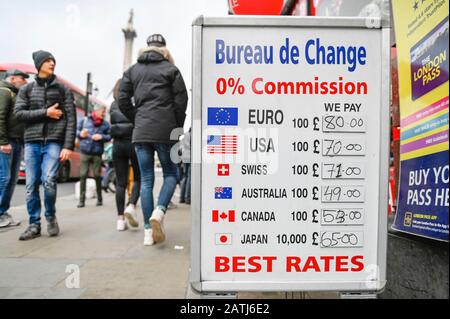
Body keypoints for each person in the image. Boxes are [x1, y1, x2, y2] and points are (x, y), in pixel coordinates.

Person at [119, 34, 188, 246]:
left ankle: (148, 233)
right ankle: (159, 211)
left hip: (141, 132)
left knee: (146, 179)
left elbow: (121, 99)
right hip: (166, 130)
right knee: (171, 173)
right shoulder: (171, 70)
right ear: (164, 50)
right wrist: (176, 125)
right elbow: (181, 100)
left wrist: (136, 118)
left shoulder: (131, 71)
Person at [14, 51, 76, 240]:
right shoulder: (27, 89)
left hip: (54, 142)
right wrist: (45, 113)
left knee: (49, 180)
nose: (52, 63)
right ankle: (34, 224)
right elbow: (19, 114)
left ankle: (50, 216)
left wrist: (68, 146)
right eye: (48, 61)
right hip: (32, 142)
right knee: (31, 185)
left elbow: (71, 119)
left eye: (53, 60)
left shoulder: (63, 90)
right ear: (39, 65)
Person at [110, 79, 140, 231]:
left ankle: (120, 220)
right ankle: (132, 205)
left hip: (117, 145)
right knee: (138, 178)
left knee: (120, 183)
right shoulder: (134, 103)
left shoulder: (113, 105)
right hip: (134, 143)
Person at [0, 69, 28, 228]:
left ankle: (3, 212)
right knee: (4, 178)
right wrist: (3, 142)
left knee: (11, 180)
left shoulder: (15, 93)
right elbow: (0, 116)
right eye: (22, 78)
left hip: (17, 142)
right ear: (12, 78)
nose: (24, 81)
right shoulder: (4, 91)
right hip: (7, 142)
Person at [76, 104, 111, 208]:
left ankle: (100, 199)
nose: (104, 114)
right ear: (96, 111)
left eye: (104, 112)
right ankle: (81, 201)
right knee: (83, 175)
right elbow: (76, 131)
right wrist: (81, 134)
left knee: (97, 175)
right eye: (102, 111)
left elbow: (109, 136)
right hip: (84, 151)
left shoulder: (105, 124)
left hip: (97, 153)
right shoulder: (85, 120)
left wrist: (101, 136)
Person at [179, 128, 191, 205]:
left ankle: (182, 197)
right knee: (190, 177)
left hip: (184, 158)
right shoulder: (194, 135)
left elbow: (180, 148)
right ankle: (188, 197)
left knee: (185, 177)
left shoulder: (185, 135)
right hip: (191, 157)